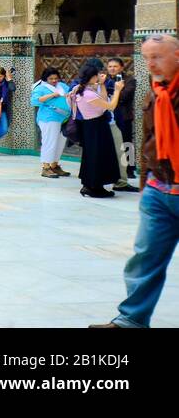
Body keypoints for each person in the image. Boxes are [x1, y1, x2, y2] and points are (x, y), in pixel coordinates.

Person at [93, 34, 179, 328]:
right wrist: (145, 181)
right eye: (146, 57)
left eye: (157, 56)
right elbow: (149, 139)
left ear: (177, 55)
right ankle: (131, 319)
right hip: (159, 190)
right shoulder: (156, 91)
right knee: (145, 258)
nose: (150, 63)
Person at [71, 62, 124, 198]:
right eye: (96, 76)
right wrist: (117, 90)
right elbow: (111, 106)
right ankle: (94, 187)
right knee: (97, 157)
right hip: (96, 127)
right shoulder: (88, 94)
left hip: (93, 126)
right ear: (91, 76)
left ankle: (90, 185)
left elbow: (104, 101)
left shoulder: (81, 89)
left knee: (93, 156)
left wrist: (101, 85)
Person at [30, 67, 72, 178]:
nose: (54, 81)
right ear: (45, 79)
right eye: (51, 79)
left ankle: (54, 165)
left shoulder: (62, 86)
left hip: (64, 118)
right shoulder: (41, 88)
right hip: (48, 118)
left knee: (60, 143)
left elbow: (71, 94)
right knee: (50, 142)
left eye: (56, 78)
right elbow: (34, 101)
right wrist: (52, 95)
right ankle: (46, 167)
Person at [106, 57, 139, 192]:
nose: (112, 69)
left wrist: (113, 93)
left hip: (124, 117)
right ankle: (115, 170)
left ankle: (129, 169)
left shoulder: (130, 80)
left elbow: (125, 96)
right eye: (110, 66)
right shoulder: (105, 79)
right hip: (110, 117)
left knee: (127, 143)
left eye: (115, 66)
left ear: (121, 67)